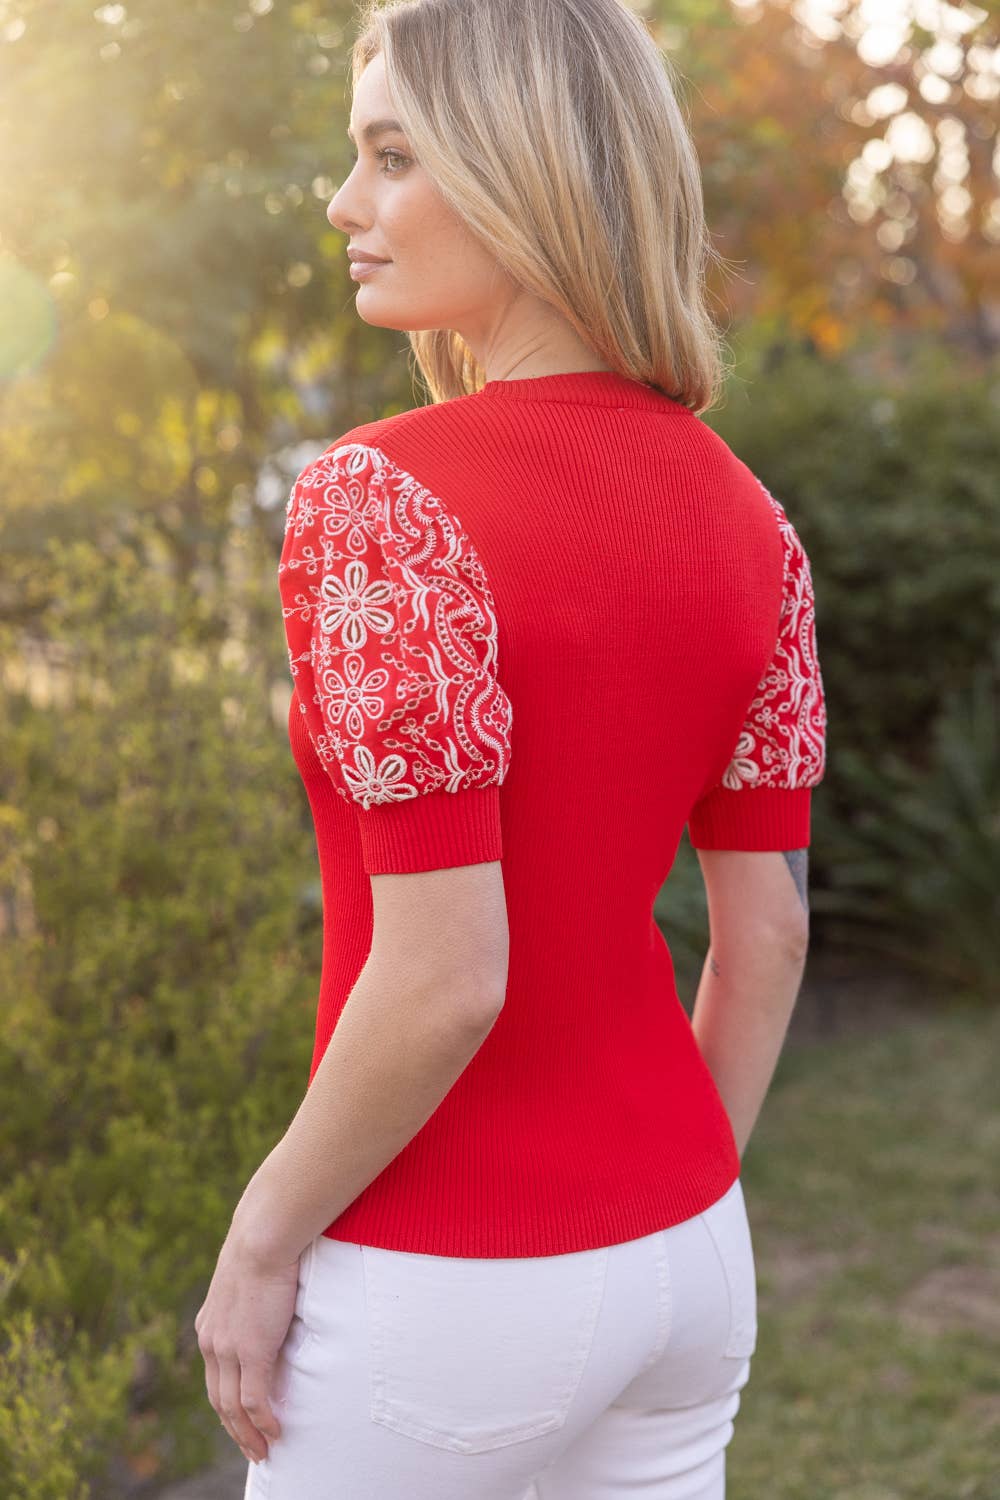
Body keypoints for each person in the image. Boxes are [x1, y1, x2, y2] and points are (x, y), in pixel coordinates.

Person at [194, 1, 828, 1496]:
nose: (345, 205)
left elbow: (445, 976)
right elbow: (772, 932)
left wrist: (262, 1237)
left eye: (392, 156)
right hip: (688, 1261)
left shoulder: (381, 501)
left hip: (443, 1278)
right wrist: (671, 1206)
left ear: (521, 169)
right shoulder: (759, 527)